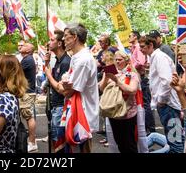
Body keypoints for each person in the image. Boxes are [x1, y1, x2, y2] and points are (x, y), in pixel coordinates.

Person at [139, 35, 184, 153]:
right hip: (167, 106)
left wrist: (161, 101)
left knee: (176, 144)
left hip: (169, 106)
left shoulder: (159, 57)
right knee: (174, 141)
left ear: (151, 45)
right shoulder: (155, 58)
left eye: (143, 47)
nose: (140, 50)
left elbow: (166, 81)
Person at [59, 23, 99, 153]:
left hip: (82, 118)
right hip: (74, 113)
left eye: (66, 36)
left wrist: (58, 83)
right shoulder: (76, 57)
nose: (63, 39)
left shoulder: (83, 60)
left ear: (74, 37)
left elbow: (68, 91)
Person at [99, 51, 140, 153]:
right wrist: (106, 78)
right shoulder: (110, 71)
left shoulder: (132, 74)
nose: (117, 61)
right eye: (116, 59)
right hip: (113, 112)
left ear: (126, 61)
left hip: (127, 114)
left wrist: (117, 81)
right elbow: (101, 88)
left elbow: (132, 90)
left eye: (120, 59)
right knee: (119, 142)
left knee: (129, 144)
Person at [44, 30, 71, 152]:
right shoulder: (58, 60)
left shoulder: (66, 62)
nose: (49, 42)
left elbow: (61, 89)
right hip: (54, 105)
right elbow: (52, 81)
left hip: (61, 105)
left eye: (52, 40)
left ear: (60, 43)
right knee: (54, 139)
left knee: (59, 141)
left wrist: (49, 76)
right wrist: (47, 62)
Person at [18, 42, 38, 152]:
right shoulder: (27, 59)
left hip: (27, 93)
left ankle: (32, 142)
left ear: (29, 50)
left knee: (29, 116)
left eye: (24, 46)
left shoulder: (27, 60)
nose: (21, 46)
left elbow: (15, 72)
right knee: (28, 116)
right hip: (26, 92)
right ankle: (31, 141)